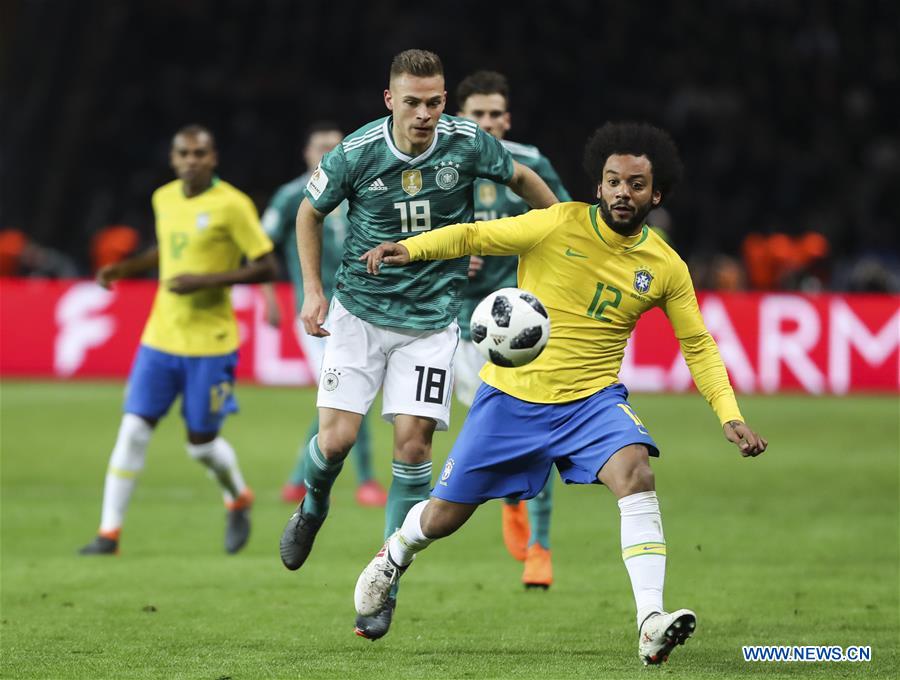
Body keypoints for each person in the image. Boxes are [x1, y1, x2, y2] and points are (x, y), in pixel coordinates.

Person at [354, 122, 768, 665]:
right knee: (442, 518)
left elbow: (698, 344)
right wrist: (409, 248)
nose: (623, 192)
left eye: (636, 184)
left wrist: (728, 413)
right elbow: (472, 236)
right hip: (511, 399)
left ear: (656, 195)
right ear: (598, 186)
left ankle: (650, 621)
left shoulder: (666, 266)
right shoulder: (555, 224)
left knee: (636, 472)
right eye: (613, 181)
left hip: (592, 402)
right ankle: (395, 554)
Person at [278, 49, 558, 640]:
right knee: (335, 441)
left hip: (432, 322)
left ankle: (384, 583)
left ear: (444, 100)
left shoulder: (467, 142)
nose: (425, 114)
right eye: (412, 103)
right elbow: (308, 213)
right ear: (390, 100)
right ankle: (313, 505)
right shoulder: (357, 151)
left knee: (413, 447)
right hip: (360, 316)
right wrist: (313, 291)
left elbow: (523, 181)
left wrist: (560, 230)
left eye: (434, 102)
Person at [79, 125, 278, 556]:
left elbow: (267, 266)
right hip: (161, 336)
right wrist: (125, 269)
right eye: (183, 154)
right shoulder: (164, 198)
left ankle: (237, 496)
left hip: (211, 343)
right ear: (173, 159)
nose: (191, 161)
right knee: (133, 429)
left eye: (199, 153)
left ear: (213, 158)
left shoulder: (233, 204)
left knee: (200, 446)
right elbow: (168, 249)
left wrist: (204, 281)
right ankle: (108, 534)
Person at [455, 70, 571, 589]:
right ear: (460, 118)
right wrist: (448, 259)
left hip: (521, 326)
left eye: (494, 114)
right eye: (476, 114)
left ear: (507, 118)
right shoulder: (436, 165)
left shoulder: (531, 163)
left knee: (531, 432)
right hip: (454, 325)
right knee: (480, 434)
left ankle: (540, 548)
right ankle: (509, 496)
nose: (487, 122)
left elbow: (566, 227)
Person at [261, 122, 388, 507]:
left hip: (359, 307)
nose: (327, 154)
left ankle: (297, 479)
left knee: (342, 395)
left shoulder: (357, 191)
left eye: (335, 147)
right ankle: (365, 480)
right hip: (316, 312)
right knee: (349, 393)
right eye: (321, 147)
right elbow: (259, 247)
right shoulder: (290, 196)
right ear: (306, 152)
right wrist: (269, 297)